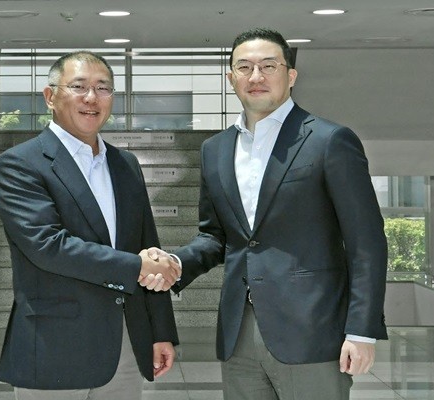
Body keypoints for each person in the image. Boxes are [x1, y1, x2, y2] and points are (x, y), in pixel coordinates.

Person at [142, 28, 388, 400]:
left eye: (268, 66)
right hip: (238, 332)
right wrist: (176, 262)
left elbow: (366, 241)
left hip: (313, 330)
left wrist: (361, 331)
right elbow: (215, 236)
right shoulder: (215, 149)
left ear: (290, 76)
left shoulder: (329, 140)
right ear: (231, 78)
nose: (256, 77)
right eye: (244, 67)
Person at [0, 51, 181, 400]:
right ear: (51, 97)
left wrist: (160, 331)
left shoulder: (126, 164)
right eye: (78, 86)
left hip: (124, 346)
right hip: (53, 349)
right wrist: (137, 265)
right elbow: (48, 246)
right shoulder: (19, 164)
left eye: (103, 88)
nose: (92, 98)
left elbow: (147, 243)